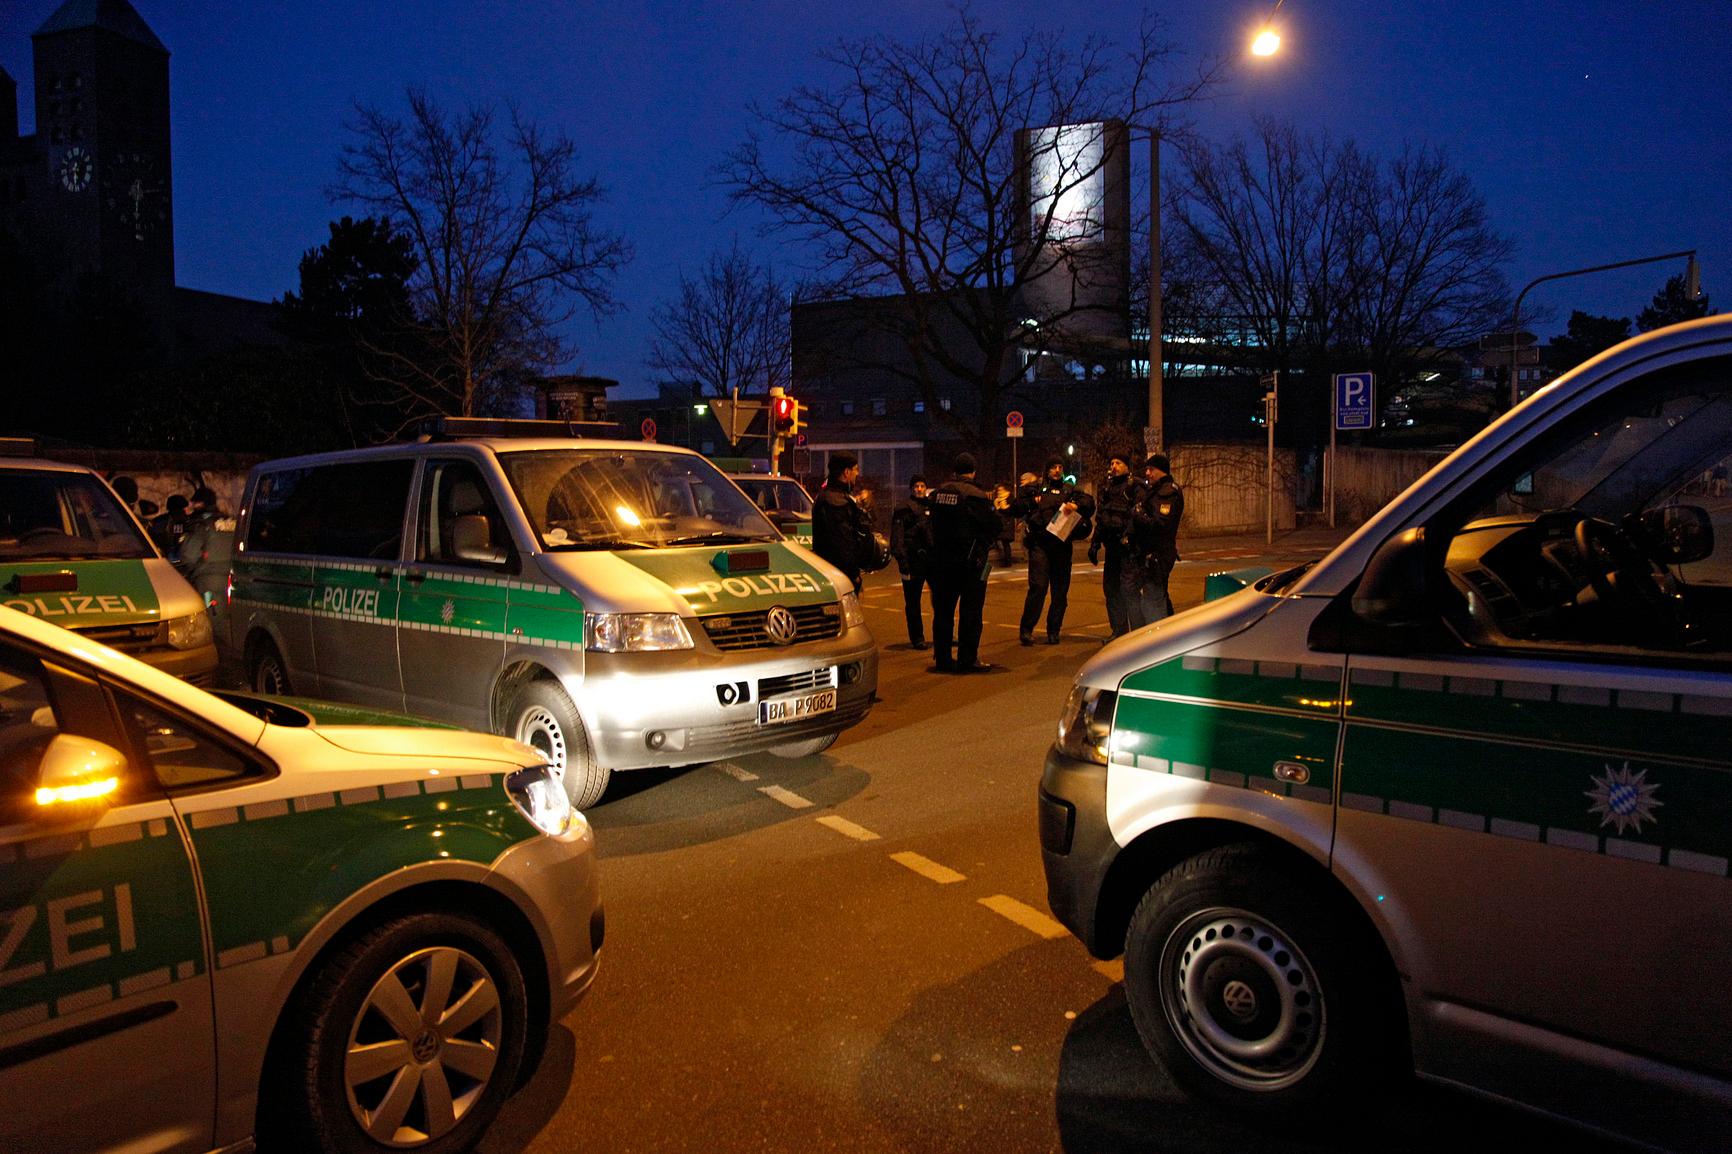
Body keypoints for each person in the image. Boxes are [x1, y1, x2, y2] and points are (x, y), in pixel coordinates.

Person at [926, 453, 1002, 673]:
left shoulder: (938, 494)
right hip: (972, 564)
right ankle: (967, 659)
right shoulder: (976, 496)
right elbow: (994, 525)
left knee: (943, 613)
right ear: (973, 471)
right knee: (971, 611)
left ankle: (942, 659)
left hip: (941, 562)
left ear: (954, 471)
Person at [1013, 457, 1095, 645]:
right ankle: (1026, 629)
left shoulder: (1070, 491)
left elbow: (1089, 503)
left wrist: (1077, 505)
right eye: (1053, 467)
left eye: (1060, 467)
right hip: (1040, 545)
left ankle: (1053, 630)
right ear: (1047, 470)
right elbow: (1018, 506)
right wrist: (1033, 501)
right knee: (1038, 587)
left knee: (1060, 592)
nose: (1057, 471)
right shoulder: (1037, 488)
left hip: (1061, 546)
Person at [1088, 452, 1144, 641]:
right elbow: (1101, 518)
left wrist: (1129, 536)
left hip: (1128, 549)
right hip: (1112, 548)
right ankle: (1119, 632)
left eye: (1118, 463)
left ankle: (1138, 633)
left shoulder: (1135, 486)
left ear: (1127, 466)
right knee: (1111, 589)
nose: (1114, 466)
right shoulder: (1107, 488)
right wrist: (1095, 543)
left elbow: (1137, 515)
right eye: (1111, 463)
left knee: (1129, 590)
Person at [1125, 452, 1184, 628]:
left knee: (1152, 601)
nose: (1147, 474)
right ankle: (1171, 634)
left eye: (1151, 469)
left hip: (1158, 554)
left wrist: (1138, 514)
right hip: (1149, 554)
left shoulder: (1167, 492)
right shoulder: (1156, 491)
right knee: (1157, 597)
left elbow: (1159, 525)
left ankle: (1159, 643)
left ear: (1162, 471)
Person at [812, 451, 876, 592]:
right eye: (855, 469)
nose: (857, 474)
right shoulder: (835, 501)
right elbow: (842, 543)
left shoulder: (833, 496)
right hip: (840, 576)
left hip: (834, 573)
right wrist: (853, 575)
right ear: (846, 472)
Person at [889, 476, 934, 650]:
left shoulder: (932, 506)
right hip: (913, 560)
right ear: (911, 488)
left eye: (922, 485)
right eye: (916, 486)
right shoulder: (904, 509)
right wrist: (902, 560)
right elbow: (898, 536)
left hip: (931, 560)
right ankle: (918, 637)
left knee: (940, 599)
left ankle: (944, 633)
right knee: (913, 601)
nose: (919, 489)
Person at [992, 484, 1016, 564]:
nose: (999, 492)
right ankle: (1006, 560)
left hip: (1007, 523)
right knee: (1003, 542)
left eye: (1001, 490)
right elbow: (993, 510)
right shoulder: (997, 499)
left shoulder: (1009, 498)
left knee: (1005, 543)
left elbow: (1008, 511)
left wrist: (998, 508)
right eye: (998, 490)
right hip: (1000, 523)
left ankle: (1007, 561)